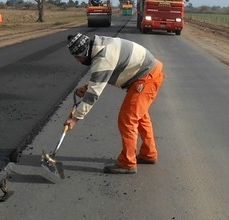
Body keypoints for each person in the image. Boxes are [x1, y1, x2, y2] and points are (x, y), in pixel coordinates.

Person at [63, 32, 164, 174]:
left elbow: (94, 94)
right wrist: (87, 87)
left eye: (78, 58)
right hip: (150, 72)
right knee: (140, 117)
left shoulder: (103, 58)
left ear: (84, 52)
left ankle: (127, 163)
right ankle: (149, 154)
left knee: (127, 119)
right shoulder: (101, 45)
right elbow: (102, 77)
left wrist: (75, 119)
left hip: (146, 78)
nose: (78, 62)